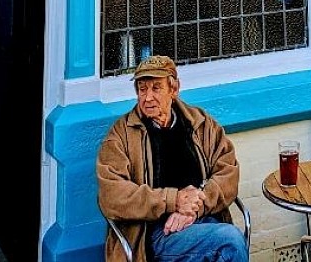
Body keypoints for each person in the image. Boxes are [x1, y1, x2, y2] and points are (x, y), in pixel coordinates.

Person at [97, 55, 248, 262]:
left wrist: (194, 209)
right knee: (230, 240)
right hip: (155, 234)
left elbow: (228, 172)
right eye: (142, 89)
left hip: (203, 220)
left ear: (174, 90)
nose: (147, 97)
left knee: (225, 239)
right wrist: (173, 201)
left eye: (156, 88)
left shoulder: (200, 123)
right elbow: (111, 195)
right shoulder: (121, 135)